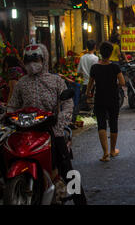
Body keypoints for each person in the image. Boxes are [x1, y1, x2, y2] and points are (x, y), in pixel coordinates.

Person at [7, 44, 87, 204]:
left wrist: (61, 120)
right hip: (25, 132)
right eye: (28, 60)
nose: (32, 63)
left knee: (67, 168)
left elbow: (68, 104)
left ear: (44, 59)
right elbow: (12, 105)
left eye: (35, 59)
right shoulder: (21, 83)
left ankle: (80, 201)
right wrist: (6, 115)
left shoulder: (55, 80)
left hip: (52, 130)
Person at [86, 42, 126, 162]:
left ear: (100, 52)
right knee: (113, 122)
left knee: (101, 124)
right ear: (110, 53)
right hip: (113, 98)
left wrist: (87, 93)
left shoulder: (95, 68)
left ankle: (105, 154)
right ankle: (113, 150)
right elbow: (123, 82)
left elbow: (90, 83)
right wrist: (114, 85)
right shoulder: (115, 67)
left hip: (100, 98)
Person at [76, 40, 98, 114]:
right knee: (93, 103)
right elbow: (96, 73)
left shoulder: (82, 58)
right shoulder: (95, 58)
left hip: (85, 84)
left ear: (87, 47)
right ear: (95, 47)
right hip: (93, 84)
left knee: (84, 105)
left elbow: (78, 71)